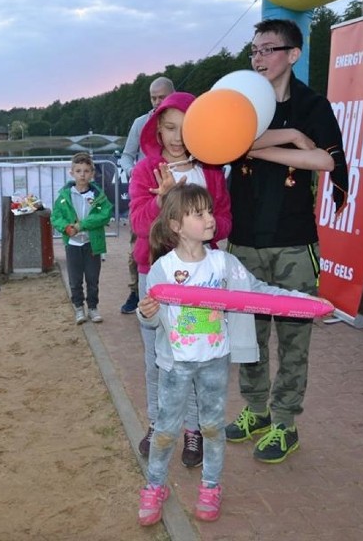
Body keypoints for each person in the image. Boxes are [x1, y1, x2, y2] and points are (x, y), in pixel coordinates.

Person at [135, 184, 323, 526]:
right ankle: (154, 485)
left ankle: (210, 487)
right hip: (174, 364)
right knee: (164, 429)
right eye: (200, 213)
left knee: (211, 427)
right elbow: (149, 319)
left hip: (214, 361)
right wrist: (147, 312)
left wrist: (302, 301)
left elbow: (259, 291)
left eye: (210, 210)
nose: (211, 218)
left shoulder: (224, 264)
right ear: (176, 225)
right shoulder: (162, 269)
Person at [224, 18, 349, 463]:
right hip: (243, 242)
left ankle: (285, 423)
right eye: (254, 50)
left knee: (294, 339)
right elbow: (217, 144)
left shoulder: (313, 104)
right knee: (248, 336)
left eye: (268, 49)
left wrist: (260, 146)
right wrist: (292, 140)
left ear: (292, 55)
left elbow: (326, 160)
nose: (258, 58)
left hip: (294, 243)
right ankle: (255, 411)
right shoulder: (237, 103)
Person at [129, 91, 232, 468]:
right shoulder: (146, 171)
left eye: (186, 128)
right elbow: (140, 226)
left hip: (202, 282)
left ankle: (192, 430)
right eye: (169, 127)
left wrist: (200, 223)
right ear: (157, 128)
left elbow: (224, 221)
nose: (176, 137)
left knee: (197, 356)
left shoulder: (212, 173)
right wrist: (162, 200)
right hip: (155, 277)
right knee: (157, 357)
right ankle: (158, 424)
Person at [118, 76, 175, 315]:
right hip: (146, 195)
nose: (157, 102)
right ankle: (136, 291)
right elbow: (126, 155)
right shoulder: (140, 123)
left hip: (176, 195)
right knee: (139, 246)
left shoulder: (187, 122)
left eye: (162, 97)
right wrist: (132, 171)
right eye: (153, 97)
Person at [51, 152, 113, 324]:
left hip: (92, 243)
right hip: (72, 244)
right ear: (72, 173)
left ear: (92, 173)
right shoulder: (64, 196)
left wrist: (82, 225)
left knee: (92, 278)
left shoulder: (98, 196)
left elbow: (104, 215)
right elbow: (55, 217)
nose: (83, 174)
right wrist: (66, 227)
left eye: (86, 171)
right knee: (75, 279)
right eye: (78, 171)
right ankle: (79, 308)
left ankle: (93, 308)